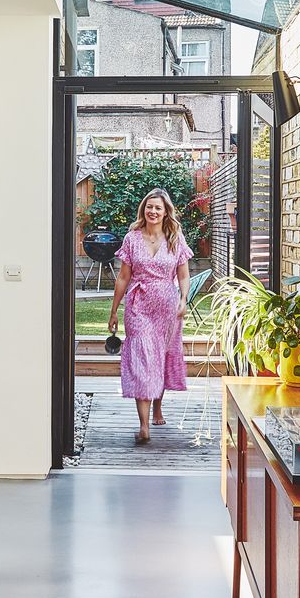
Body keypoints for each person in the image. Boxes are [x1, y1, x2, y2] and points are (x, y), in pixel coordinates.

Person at [108, 188, 193, 445]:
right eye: (149, 207)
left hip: (167, 308)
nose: (153, 211)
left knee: (161, 358)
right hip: (138, 307)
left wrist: (183, 298)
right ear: (143, 210)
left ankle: (158, 406)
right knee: (143, 360)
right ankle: (144, 425)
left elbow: (184, 275)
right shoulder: (132, 239)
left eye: (158, 208)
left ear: (166, 211)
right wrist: (114, 310)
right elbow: (123, 277)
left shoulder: (175, 238)